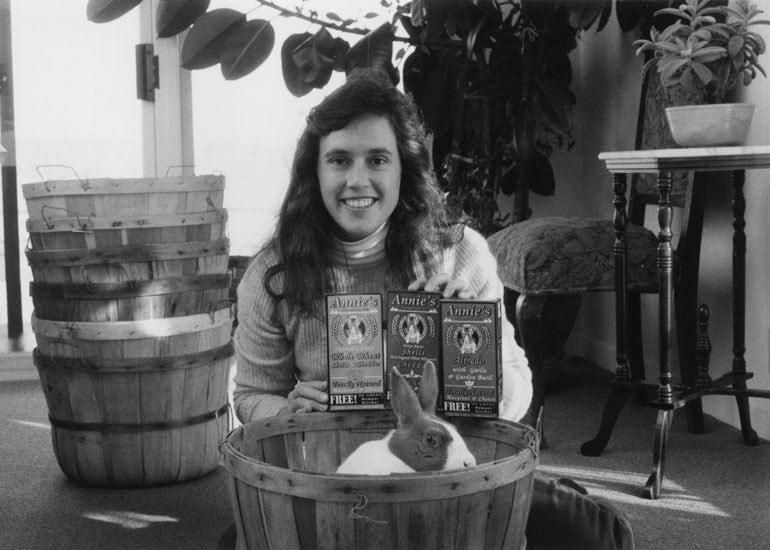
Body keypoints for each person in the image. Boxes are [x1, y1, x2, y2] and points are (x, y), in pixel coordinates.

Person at [232, 68, 532, 423]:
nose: (358, 181)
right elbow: (252, 395)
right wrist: (289, 413)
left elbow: (518, 392)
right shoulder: (272, 277)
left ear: (404, 169)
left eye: (377, 160)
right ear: (314, 172)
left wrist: (471, 357)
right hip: (332, 464)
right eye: (339, 160)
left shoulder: (462, 254)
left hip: (439, 469)